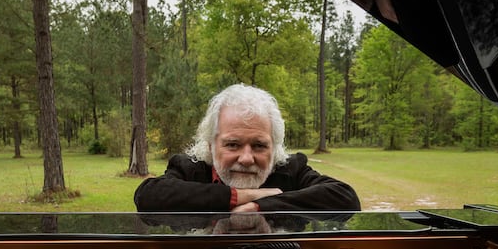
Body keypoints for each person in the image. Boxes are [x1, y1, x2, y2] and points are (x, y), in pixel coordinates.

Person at [134, 84, 361, 213]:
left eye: (259, 145)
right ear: (211, 145)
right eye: (232, 144)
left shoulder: (291, 169)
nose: (246, 158)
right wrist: (238, 196)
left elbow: (346, 199)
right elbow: (147, 196)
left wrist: (259, 206)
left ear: (275, 148)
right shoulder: (189, 168)